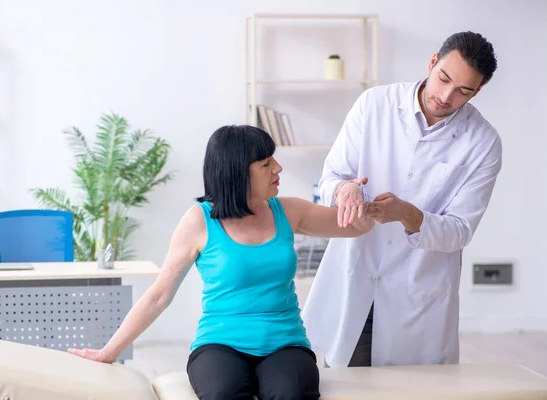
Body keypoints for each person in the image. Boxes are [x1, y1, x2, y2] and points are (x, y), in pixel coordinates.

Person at [68, 125, 375, 400]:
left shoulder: (289, 211)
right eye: (266, 164)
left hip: (285, 342)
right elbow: (159, 295)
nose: (278, 168)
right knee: (223, 392)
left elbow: (358, 227)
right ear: (238, 171)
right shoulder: (198, 222)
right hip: (219, 343)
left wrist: (353, 194)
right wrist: (109, 352)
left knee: (290, 392)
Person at [302, 31, 502, 368]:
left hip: (417, 290)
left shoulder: (483, 143)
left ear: (478, 91)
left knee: (409, 388)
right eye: (443, 79)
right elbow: (331, 177)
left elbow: (459, 231)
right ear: (432, 62)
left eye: (463, 91)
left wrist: (409, 214)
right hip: (356, 271)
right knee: (347, 383)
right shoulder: (374, 104)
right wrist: (345, 189)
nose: (445, 96)